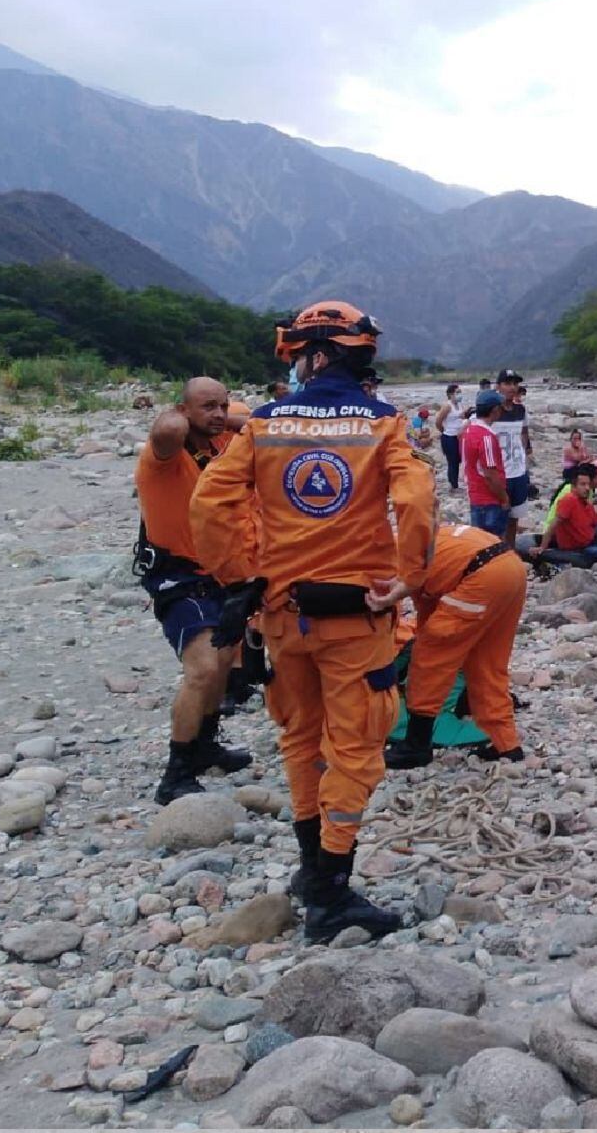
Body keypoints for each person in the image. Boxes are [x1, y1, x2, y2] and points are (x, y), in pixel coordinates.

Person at [190, 300, 437, 943]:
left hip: (280, 617)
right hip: (357, 618)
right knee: (355, 751)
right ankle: (330, 892)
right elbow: (414, 499)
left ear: (314, 354)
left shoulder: (264, 423)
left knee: (301, 739)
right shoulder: (384, 423)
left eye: (298, 355)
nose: (297, 365)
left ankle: (309, 868)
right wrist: (407, 577)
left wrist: (239, 575)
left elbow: (211, 500)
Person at [134, 377, 254, 803]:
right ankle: (176, 772)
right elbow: (167, 430)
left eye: (222, 406)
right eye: (207, 407)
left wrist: (227, 419)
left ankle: (206, 744)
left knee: (222, 664)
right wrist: (178, 415)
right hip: (178, 575)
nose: (218, 414)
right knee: (202, 669)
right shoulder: (163, 456)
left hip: (221, 574)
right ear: (184, 409)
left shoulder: (220, 444)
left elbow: (258, 424)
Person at [381, 523, 528, 769]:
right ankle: (507, 745)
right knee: (487, 662)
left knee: (429, 658)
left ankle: (416, 745)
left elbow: (388, 617)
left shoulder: (385, 559)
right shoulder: (421, 539)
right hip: (511, 568)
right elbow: (428, 600)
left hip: (479, 577)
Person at [540, 463, 597, 562]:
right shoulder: (569, 499)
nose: (586, 488)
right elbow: (554, 524)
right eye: (582, 484)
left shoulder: (586, 500)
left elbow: (594, 521)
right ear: (574, 487)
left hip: (590, 538)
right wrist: (543, 547)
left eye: (587, 484)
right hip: (579, 547)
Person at [493, 370, 532, 547]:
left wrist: (525, 455)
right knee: (499, 516)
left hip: (518, 471)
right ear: (498, 387)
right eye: (507, 383)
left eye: (515, 384)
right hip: (499, 473)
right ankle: (497, 553)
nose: (512, 387)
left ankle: (510, 549)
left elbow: (524, 432)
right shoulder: (492, 411)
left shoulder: (520, 410)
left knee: (514, 516)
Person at [462, 390, 509, 535]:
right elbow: (490, 474)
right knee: (493, 545)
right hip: (489, 500)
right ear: (495, 410)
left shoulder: (468, 431)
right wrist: (504, 498)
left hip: (475, 497)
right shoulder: (486, 437)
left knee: (479, 545)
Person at [434, 383, 466, 491]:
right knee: (453, 461)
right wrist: (443, 431)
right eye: (457, 392)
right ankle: (453, 484)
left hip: (459, 436)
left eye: (460, 392)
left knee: (459, 459)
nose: (459, 394)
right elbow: (438, 421)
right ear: (451, 394)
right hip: (449, 437)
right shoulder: (447, 406)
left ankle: (456, 482)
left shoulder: (460, 405)